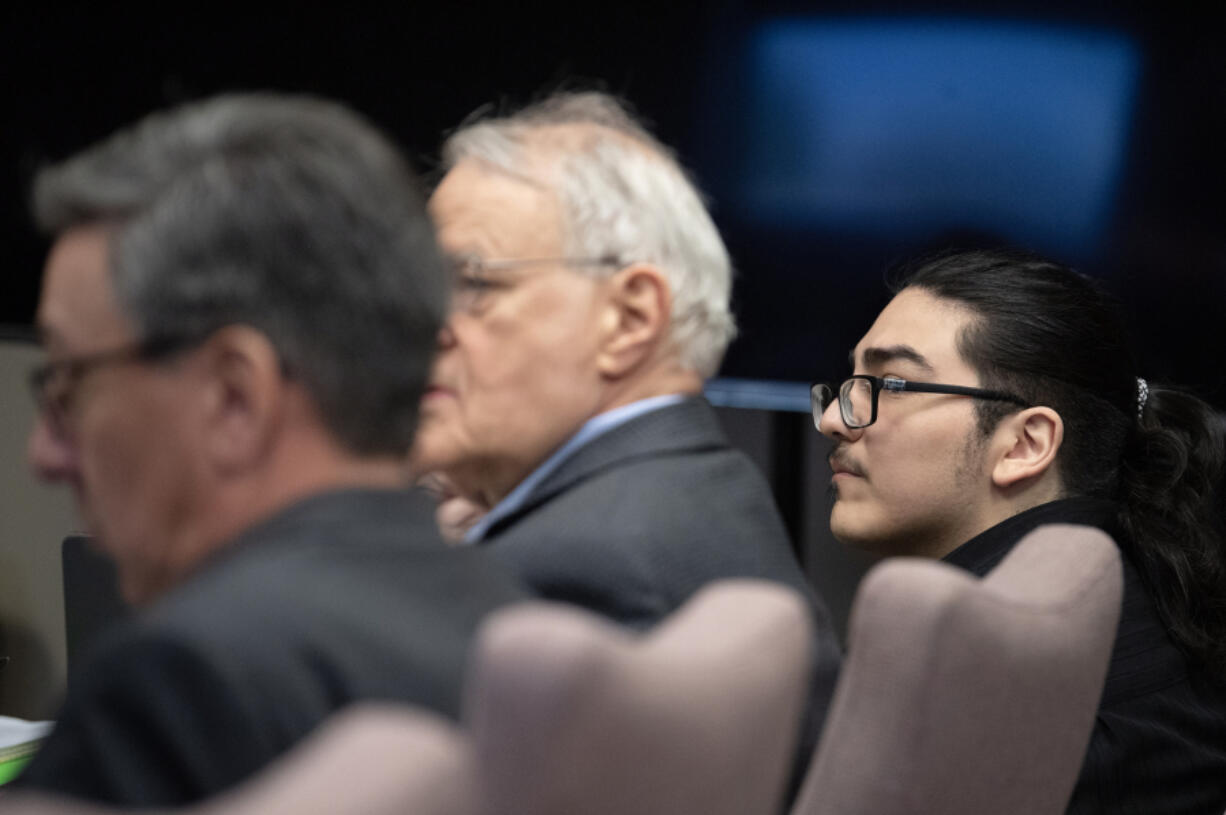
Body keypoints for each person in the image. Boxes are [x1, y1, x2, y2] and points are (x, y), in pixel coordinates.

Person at [15, 93, 525, 806]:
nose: (45, 452)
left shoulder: (174, 685)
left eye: (71, 381)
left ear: (235, 397)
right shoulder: (507, 617)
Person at [411, 90, 841, 758]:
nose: (421, 326)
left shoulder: (570, 573)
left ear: (630, 319)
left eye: (473, 283)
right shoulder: (710, 485)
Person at [814, 247, 1226, 813]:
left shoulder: (961, 671)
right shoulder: (1143, 599)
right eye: (851, 382)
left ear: (1024, 444)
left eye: (891, 385)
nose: (834, 418)